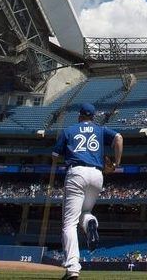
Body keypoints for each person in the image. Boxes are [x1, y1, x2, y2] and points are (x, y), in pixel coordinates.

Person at [53, 102, 122, 280]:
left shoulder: (69, 130)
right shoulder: (100, 129)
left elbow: (54, 156)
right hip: (97, 174)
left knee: (69, 223)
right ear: (93, 116)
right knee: (86, 212)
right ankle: (91, 223)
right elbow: (119, 138)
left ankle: (73, 268)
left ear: (80, 115)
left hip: (77, 172)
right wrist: (116, 164)